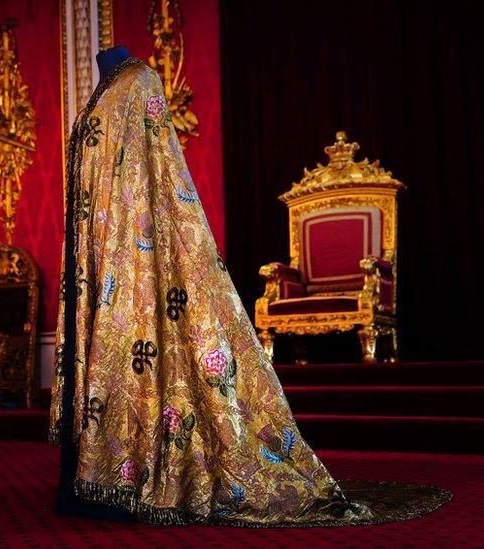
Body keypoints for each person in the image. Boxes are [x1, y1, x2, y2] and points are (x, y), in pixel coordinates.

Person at [50, 47, 449, 525]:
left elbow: (154, 175)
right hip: (92, 256)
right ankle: (93, 474)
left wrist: (129, 253)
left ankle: (130, 473)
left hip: (133, 253)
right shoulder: (102, 92)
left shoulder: (139, 83)